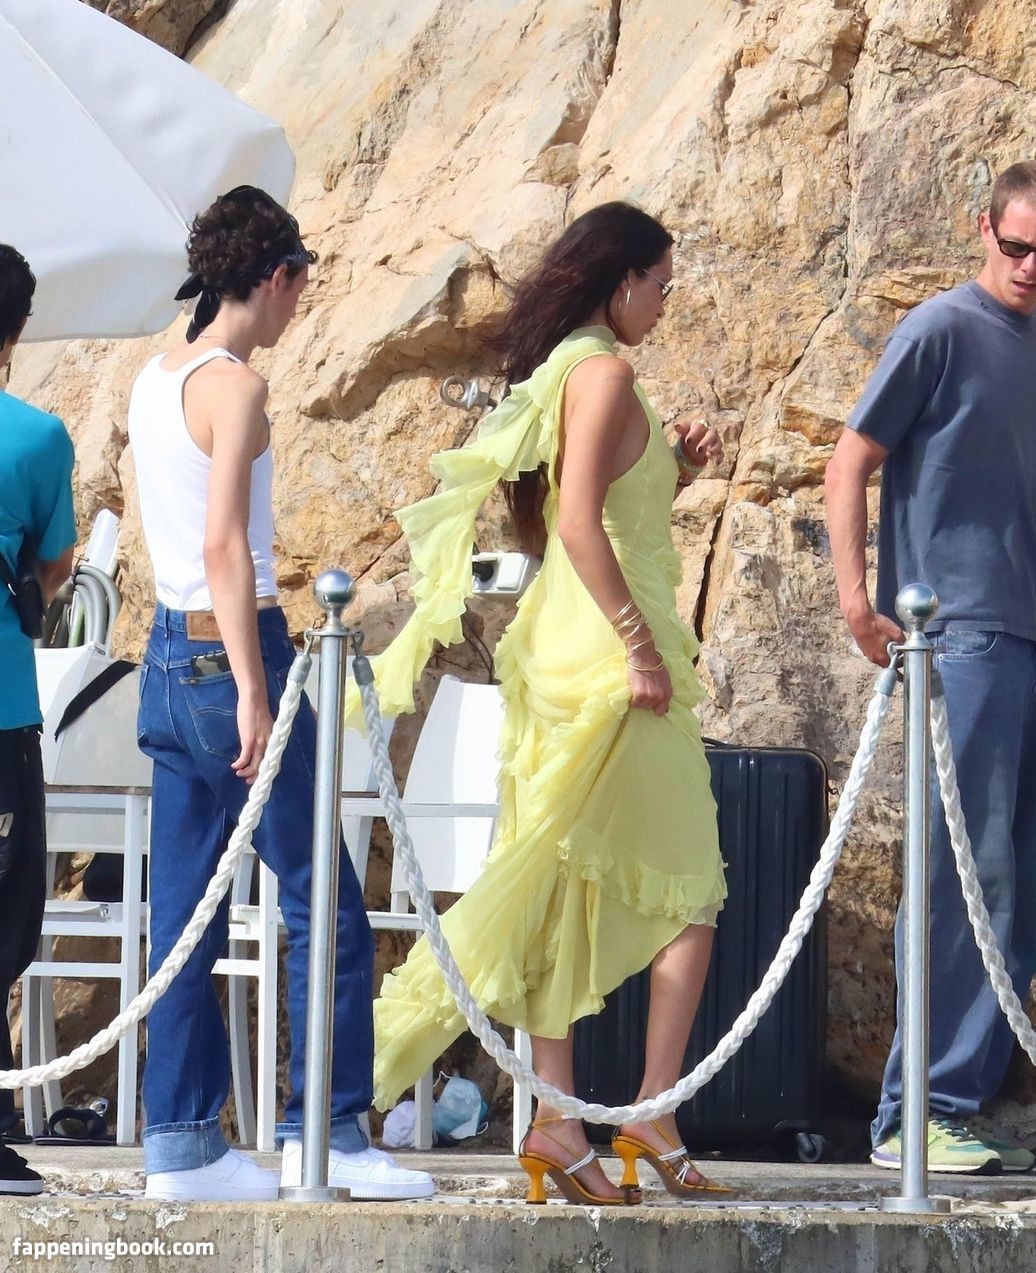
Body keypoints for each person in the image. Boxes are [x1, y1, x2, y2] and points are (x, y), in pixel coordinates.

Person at [367, 201, 730, 1206]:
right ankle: (650, 1108)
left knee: (556, 881)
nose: (666, 301)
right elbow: (576, 524)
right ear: (623, 282)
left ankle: (560, 1120)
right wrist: (640, 645)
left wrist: (674, 467)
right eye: (661, 284)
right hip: (613, 660)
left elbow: (609, 507)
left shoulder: (572, 370)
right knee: (692, 884)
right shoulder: (603, 372)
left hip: (564, 651)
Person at [127, 188, 433, 1203]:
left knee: (184, 915)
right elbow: (225, 544)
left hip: (166, 655)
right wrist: (256, 688)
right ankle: (329, 1135)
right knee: (324, 903)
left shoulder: (152, 378)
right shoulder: (237, 386)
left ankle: (181, 1147)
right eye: (301, 282)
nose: (302, 303)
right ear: (276, 277)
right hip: (231, 652)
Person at [825, 160, 1036, 1174]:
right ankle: (914, 1112)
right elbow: (850, 460)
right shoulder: (938, 330)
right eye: (1016, 245)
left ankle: (958, 1098)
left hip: (1020, 633)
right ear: (982, 228)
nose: (1030, 267)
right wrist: (856, 599)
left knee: (1013, 881)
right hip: (950, 632)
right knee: (959, 872)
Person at [0, 244, 75, 1198]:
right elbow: (55, 570)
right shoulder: (36, 437)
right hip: (3, 713)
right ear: (16, 333)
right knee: (5, 917)